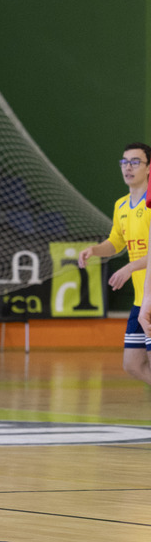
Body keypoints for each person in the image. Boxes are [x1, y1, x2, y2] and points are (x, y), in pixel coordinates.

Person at [83, 142, 151, 385]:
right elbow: (116, 242)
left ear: (149, 168)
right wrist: (95, 250)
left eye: (135, 162)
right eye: (124, 162)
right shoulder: (121, 205)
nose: (128, 167)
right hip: (139, 299)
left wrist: (130, 266)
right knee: (132, 364)